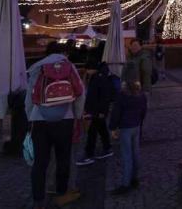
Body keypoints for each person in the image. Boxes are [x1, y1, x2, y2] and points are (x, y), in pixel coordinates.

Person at [25, 42, 85, 209]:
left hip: (39, 120)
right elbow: (80, 93)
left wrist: (30, 117)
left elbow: (29, 97)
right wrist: (77, 116)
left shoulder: (37, 67)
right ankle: (61, 194)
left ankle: (38, 199)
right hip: (65, 119)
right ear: (63, 53)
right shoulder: (69, 67)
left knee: (40, 162)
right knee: (63, 158)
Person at [109, 79, 148, 196]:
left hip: (126, 127)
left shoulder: (122, 96)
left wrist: (112, 128)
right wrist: (139, 122)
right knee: (135, 153)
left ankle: (126, 184)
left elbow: (116, 113)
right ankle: (134, 179)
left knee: (127, 156)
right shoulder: (141, 95)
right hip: (136, 126)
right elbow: (143, 111)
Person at [77, 62, 116, 166]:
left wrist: (101, 111)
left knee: (92, 132)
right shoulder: (98, 77)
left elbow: (104, 97)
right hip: (97, 111)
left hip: (97, 111)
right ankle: (107, 148)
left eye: (87, 70)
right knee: (101, 129)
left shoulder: (99, 78)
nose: (86, 72)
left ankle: (89, 154)